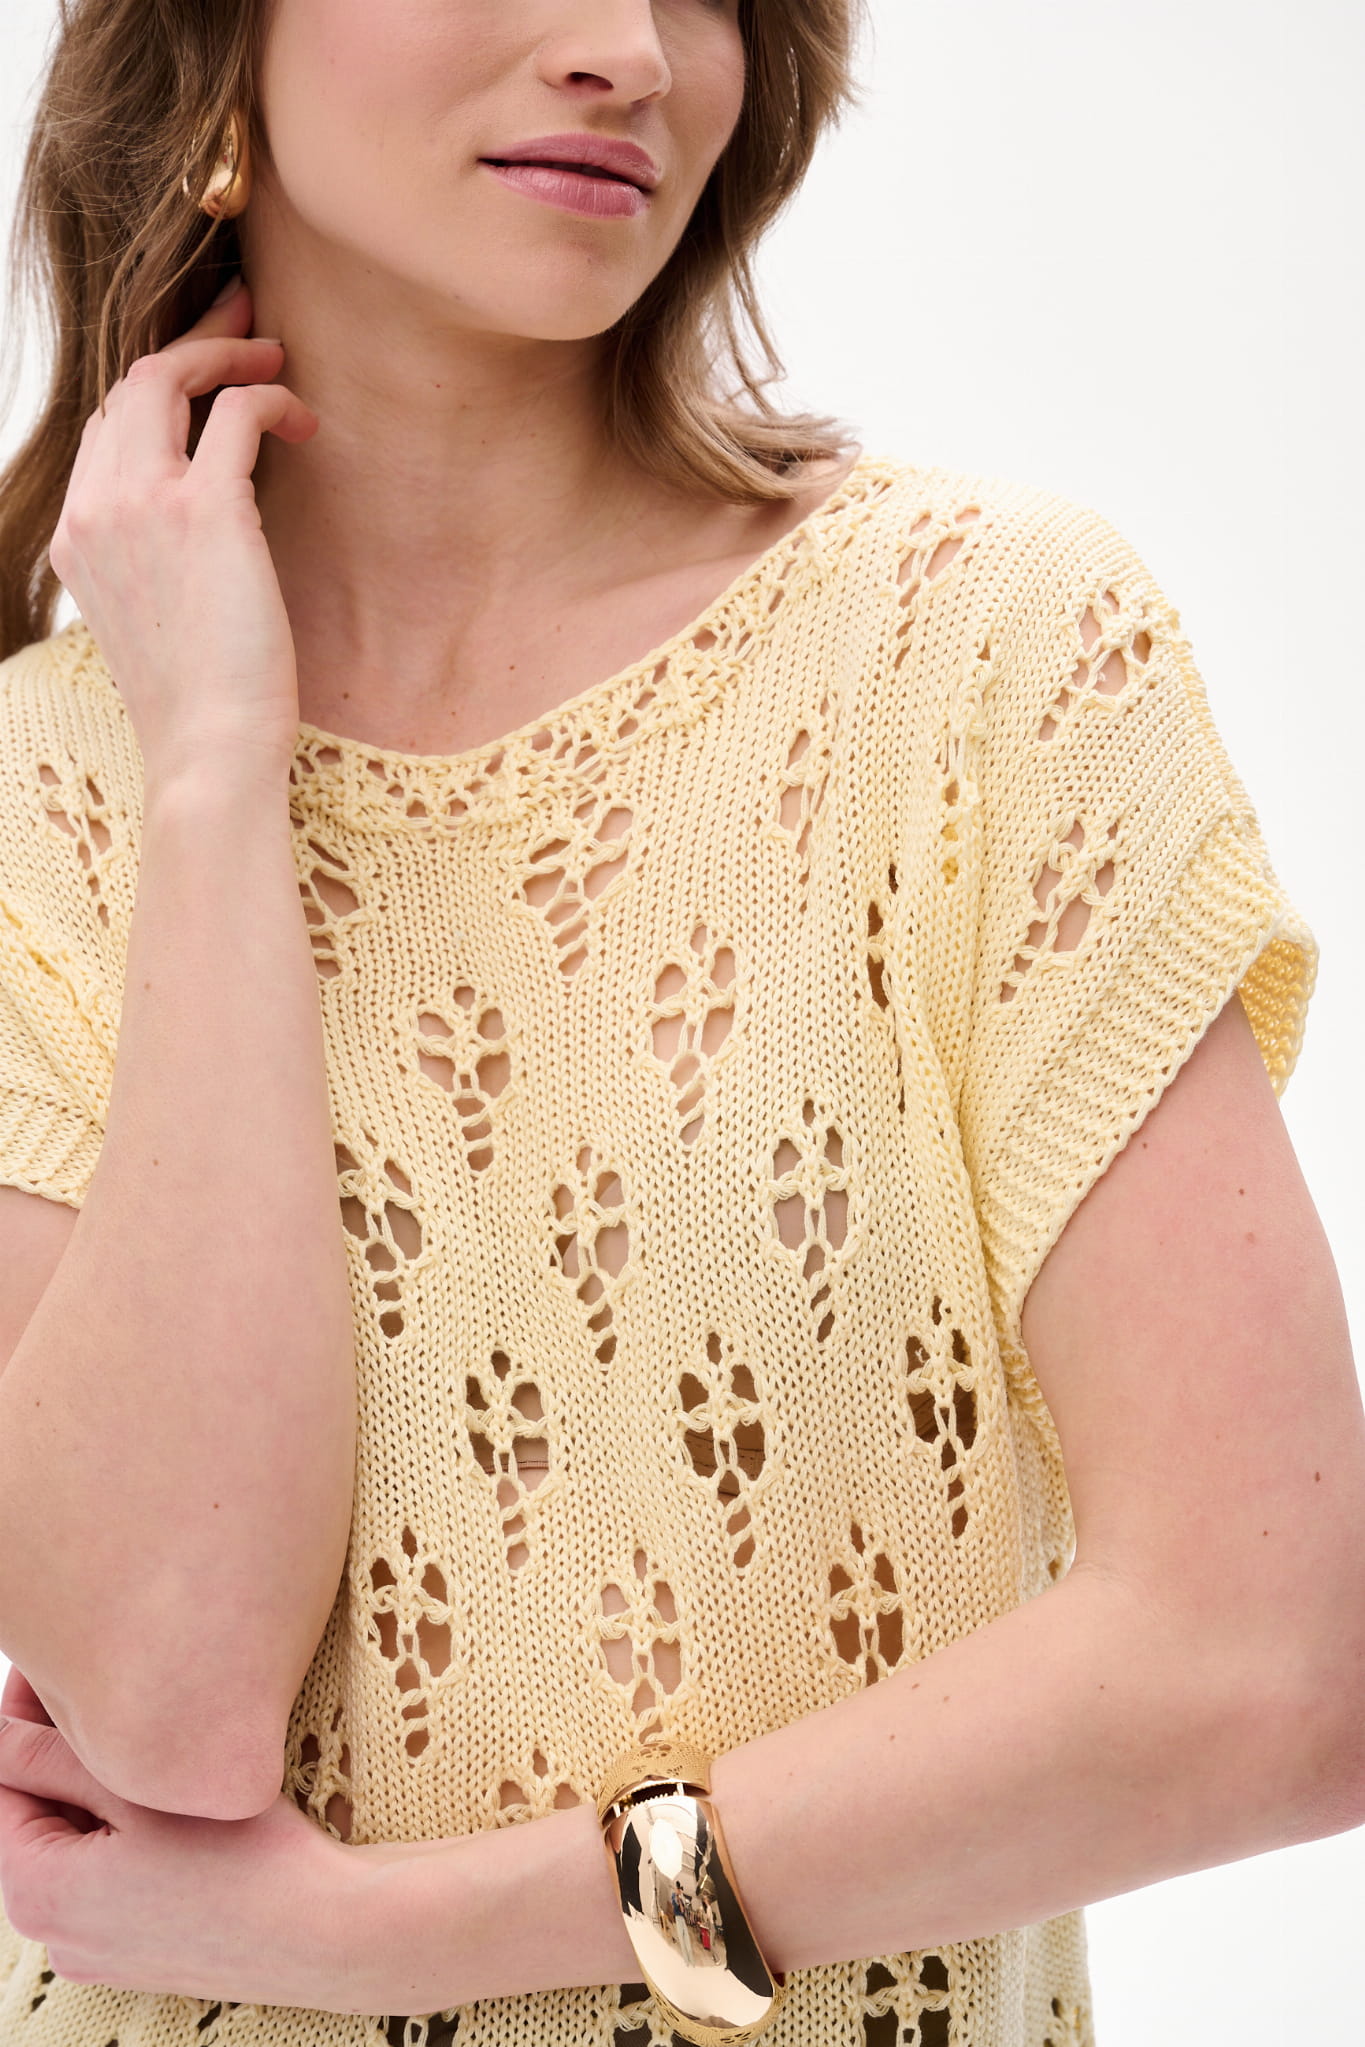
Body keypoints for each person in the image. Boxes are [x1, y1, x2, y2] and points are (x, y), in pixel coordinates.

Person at [0, 4, 1360, 2045]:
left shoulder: (980, 656)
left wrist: (384, 1939)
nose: (629, 50)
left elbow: (1268, 1667)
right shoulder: (40, 796)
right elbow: (167, 1694)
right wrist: (210, 767)